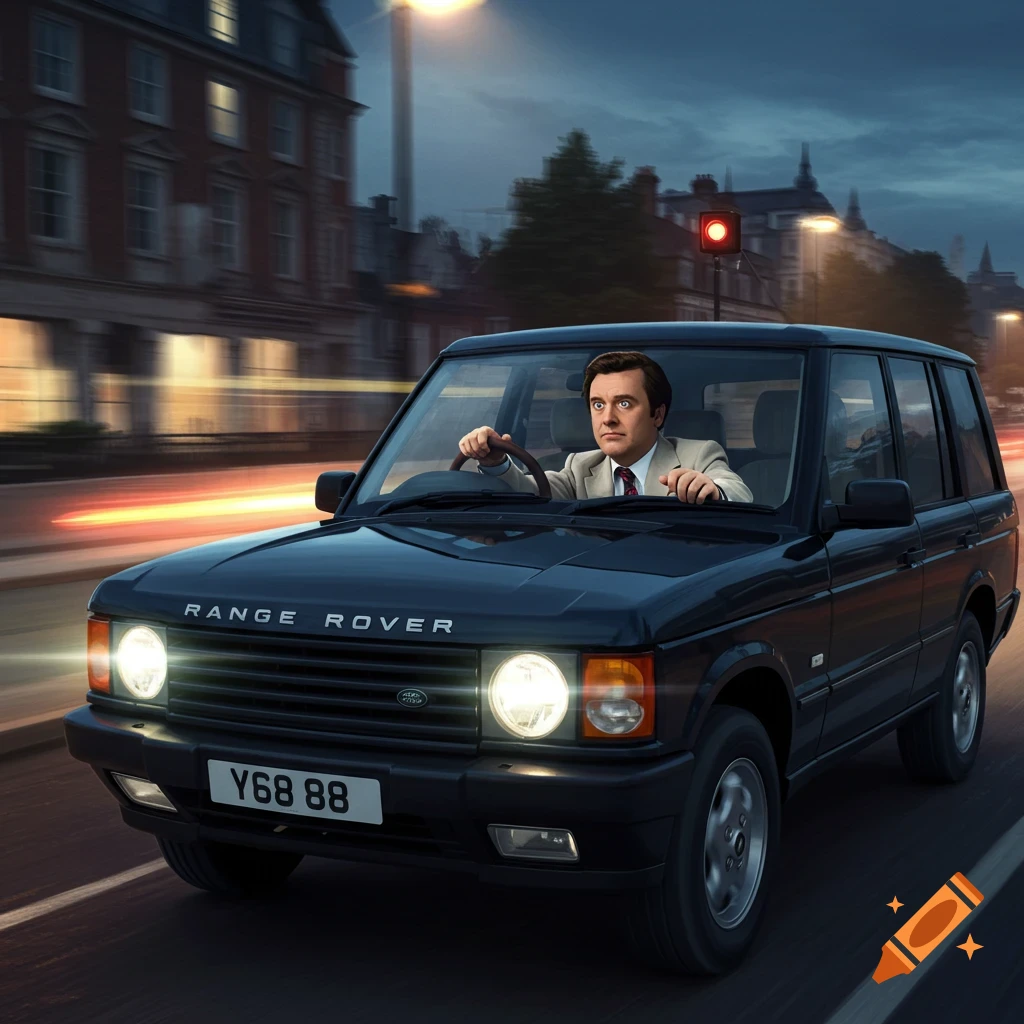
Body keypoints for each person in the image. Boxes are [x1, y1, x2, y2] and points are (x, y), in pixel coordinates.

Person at [457, 350, 753, 504]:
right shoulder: (580, 467)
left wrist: (711, 490)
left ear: (657, 414)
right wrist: (496, 462)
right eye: (598, 405)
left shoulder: (698, 455)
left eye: (624, 403)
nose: (607, 418)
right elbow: (530, 491)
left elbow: (736, 490)